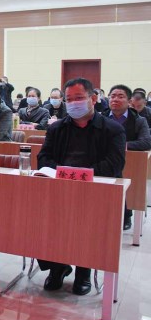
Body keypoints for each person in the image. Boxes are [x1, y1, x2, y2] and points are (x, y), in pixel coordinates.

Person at [37, 78, 126, 296]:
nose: (73, 103)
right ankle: (57, 267)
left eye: (79, 98)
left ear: (93, 98)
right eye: (69, 99)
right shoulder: (57, 128)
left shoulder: (112, 129)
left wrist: (83, 175)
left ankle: (83, 271)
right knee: (46, 224)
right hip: (60, 188)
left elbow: (114, 164)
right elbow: (43, 157)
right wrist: (59, 172)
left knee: (88, 229)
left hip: (96, 191)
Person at [103, 84, 151, 230]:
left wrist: (122, 145)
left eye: (120, 96)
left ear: (129, 101)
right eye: (112, 96)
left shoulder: (138, 120)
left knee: (127, 187)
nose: (115, 99)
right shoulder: (100, 117)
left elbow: (146, 142)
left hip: (129, 163)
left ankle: (126, 215)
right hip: (103, 161)